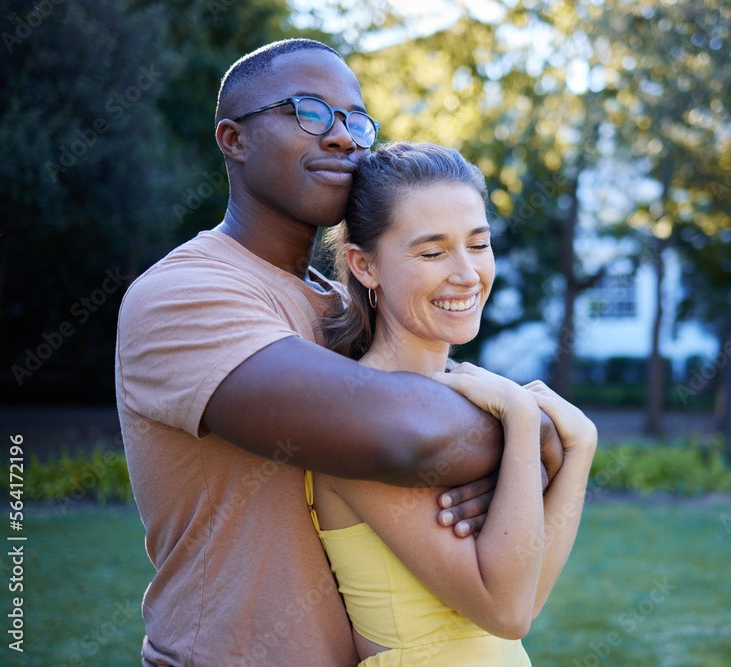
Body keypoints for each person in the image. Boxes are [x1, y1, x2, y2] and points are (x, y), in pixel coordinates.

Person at [115, 39, 563, 667]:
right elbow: (401, 432)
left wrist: (494, 450)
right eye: (309, 111)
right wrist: (533, 432)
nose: (344, 137)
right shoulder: (184, 294)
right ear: (232, 139)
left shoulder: (337, 305)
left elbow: (428, 417)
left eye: (355, 118)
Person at [308, 142, 597, 665]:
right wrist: (523, 418)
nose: (467, 274)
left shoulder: (462, 398)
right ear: (365, 266)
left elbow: (526, 603)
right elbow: (505, 611)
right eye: (433, 252)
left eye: (478, 244)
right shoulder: (359, 417)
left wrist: (580, 449)